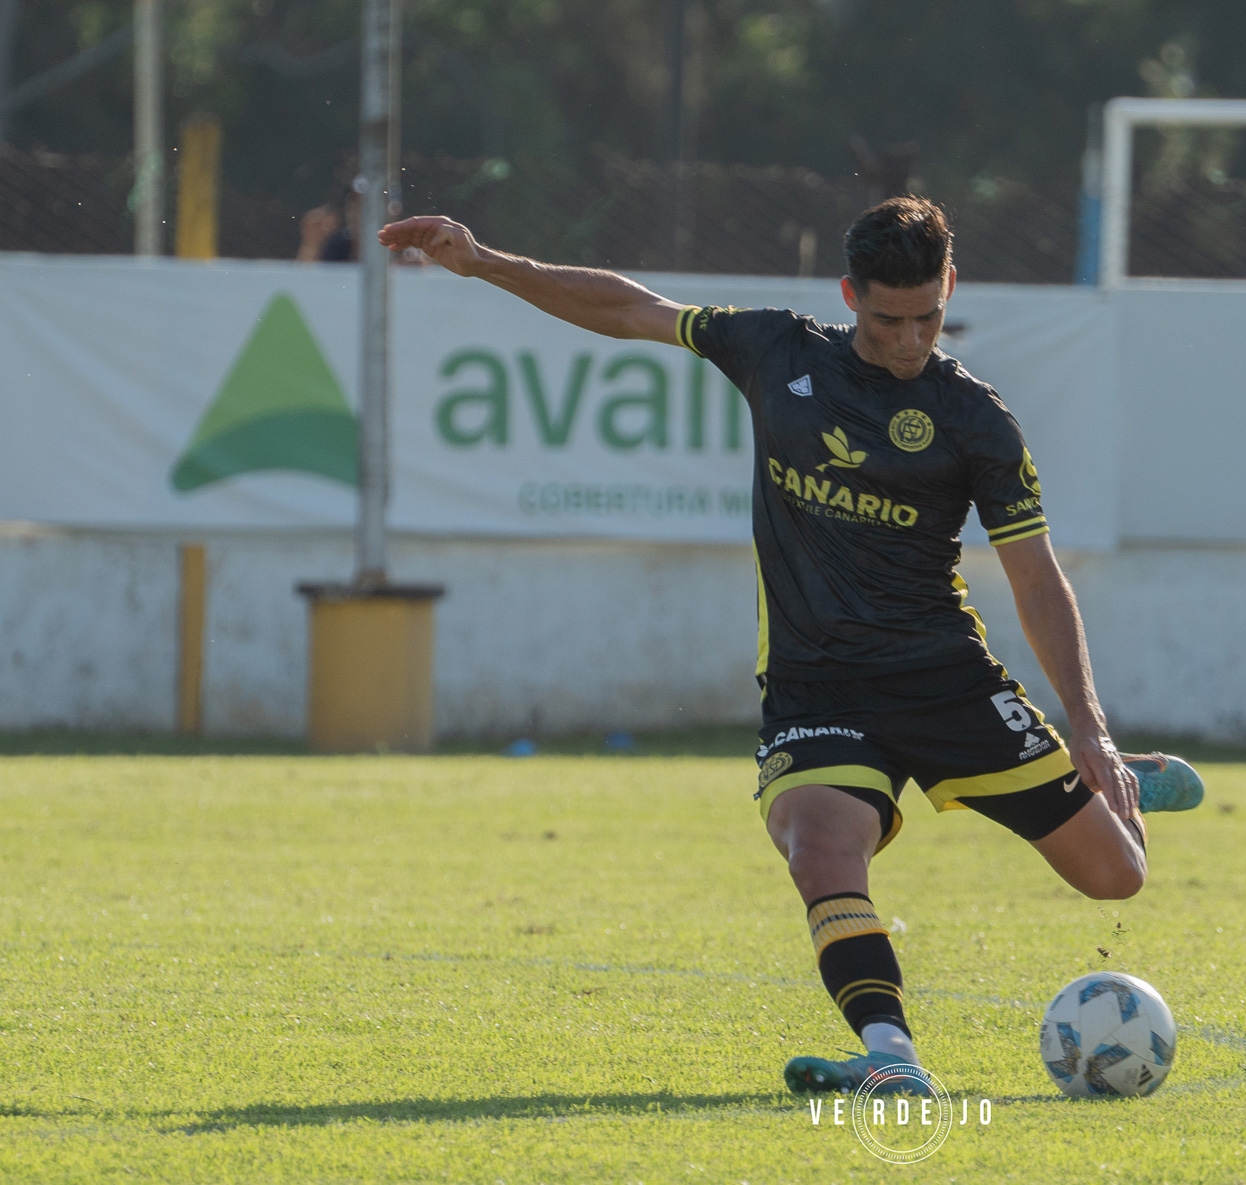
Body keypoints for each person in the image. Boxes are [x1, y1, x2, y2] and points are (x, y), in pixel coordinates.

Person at [376, 197, 1204, 1095]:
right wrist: (483, 261)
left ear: (949, 288)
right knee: (818, 845)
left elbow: (1038, 579)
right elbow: (628, 308)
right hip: (819, 690)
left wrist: (1087, 720)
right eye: (887, 318)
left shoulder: (976, 422)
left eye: (927, 315)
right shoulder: (777, 351)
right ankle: (892, 1057)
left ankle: (1111, 774)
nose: (907, 338)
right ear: (851, 295)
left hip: (944, 677)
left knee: (1116, 878)